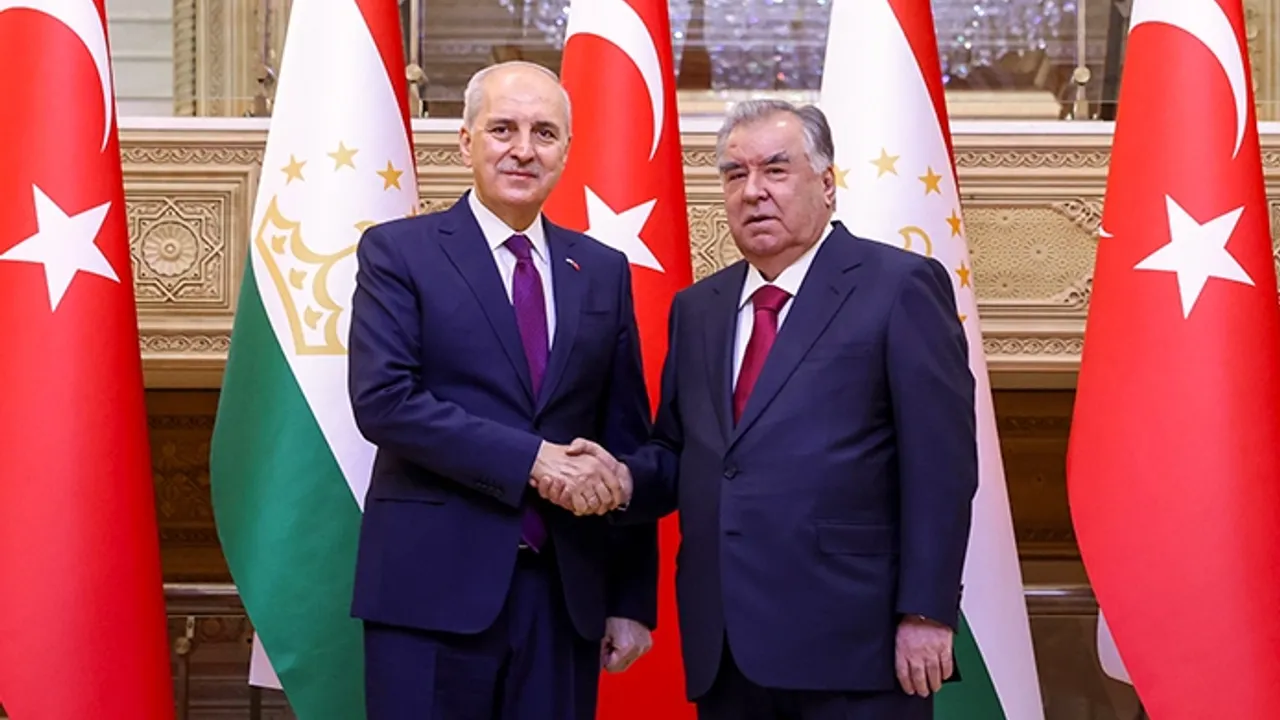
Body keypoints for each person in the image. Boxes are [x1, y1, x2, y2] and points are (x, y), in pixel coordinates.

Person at [553, 99, 978, 719]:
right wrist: (620, 479)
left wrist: (927, 612)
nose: (753, 191)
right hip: (727, 648)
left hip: (856, 645)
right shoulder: (699, 308)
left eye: (776, 170)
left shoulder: (899, 286)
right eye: (735, 174)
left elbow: (941, 466)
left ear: (827, 184)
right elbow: (679, 452)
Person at [346, 60, 657, 720]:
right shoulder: (399, 253)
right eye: (502, 129)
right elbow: (385, 401)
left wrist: (629, 599)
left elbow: (623, 437)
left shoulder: (601, 270)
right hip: (428, 595)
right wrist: (532, 460)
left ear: (566, 151)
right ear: (466, 142)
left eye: (544, 133)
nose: (523, 149)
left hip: (563, 598)